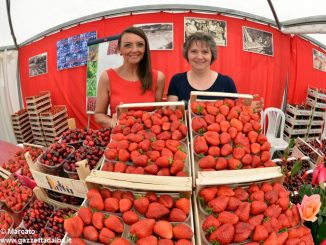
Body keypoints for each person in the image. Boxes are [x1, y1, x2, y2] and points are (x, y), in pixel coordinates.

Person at [167, 32, 263, 111]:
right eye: (194, 51)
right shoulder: (177, 80)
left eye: (205, 52)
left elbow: (234, 113)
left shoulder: (227, 83)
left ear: (212, 55)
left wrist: (244, 108)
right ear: (186, 54)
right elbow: (171, 113)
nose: (199, 57)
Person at [95, 27, 165, 128]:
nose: (134, 50)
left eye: (140, 45)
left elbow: (159, 111)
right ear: (119, 49)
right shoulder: (107, 77)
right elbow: (99, 115)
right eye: (128, 45)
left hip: (149, 138)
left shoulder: (158, 78)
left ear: (145, 49)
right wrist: (113, 123)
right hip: (120, 138)